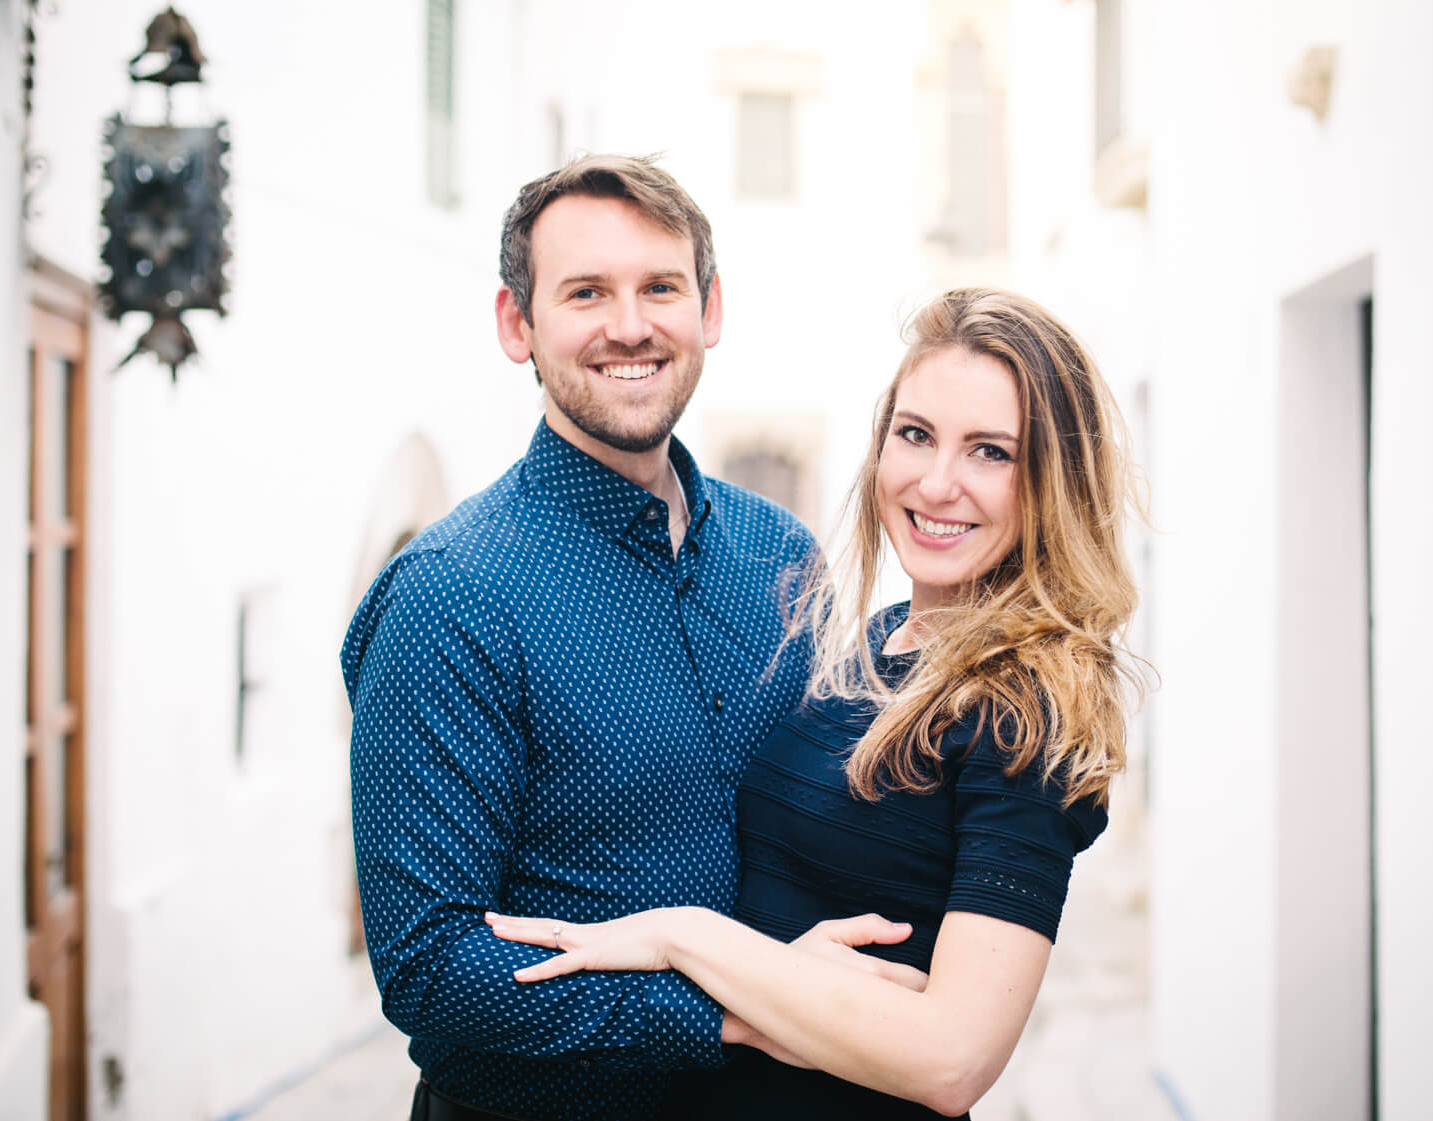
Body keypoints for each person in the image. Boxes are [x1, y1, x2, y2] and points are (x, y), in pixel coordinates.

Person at [485, 287, 1143, 1119]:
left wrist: (683, 934)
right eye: (916, 435)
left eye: (990, 452)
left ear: (1052, 483)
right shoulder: (881, 640)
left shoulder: (1024, 710)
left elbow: (952, 1058)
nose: (937, 482)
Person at [342, 155, 893, 1121]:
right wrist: (735, 1010)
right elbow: (429, 966)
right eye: (586, 291)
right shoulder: (449, 596)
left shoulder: (784, 557)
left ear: (709, 310)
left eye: (660, 288)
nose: (630, 325)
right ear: (519, 325)